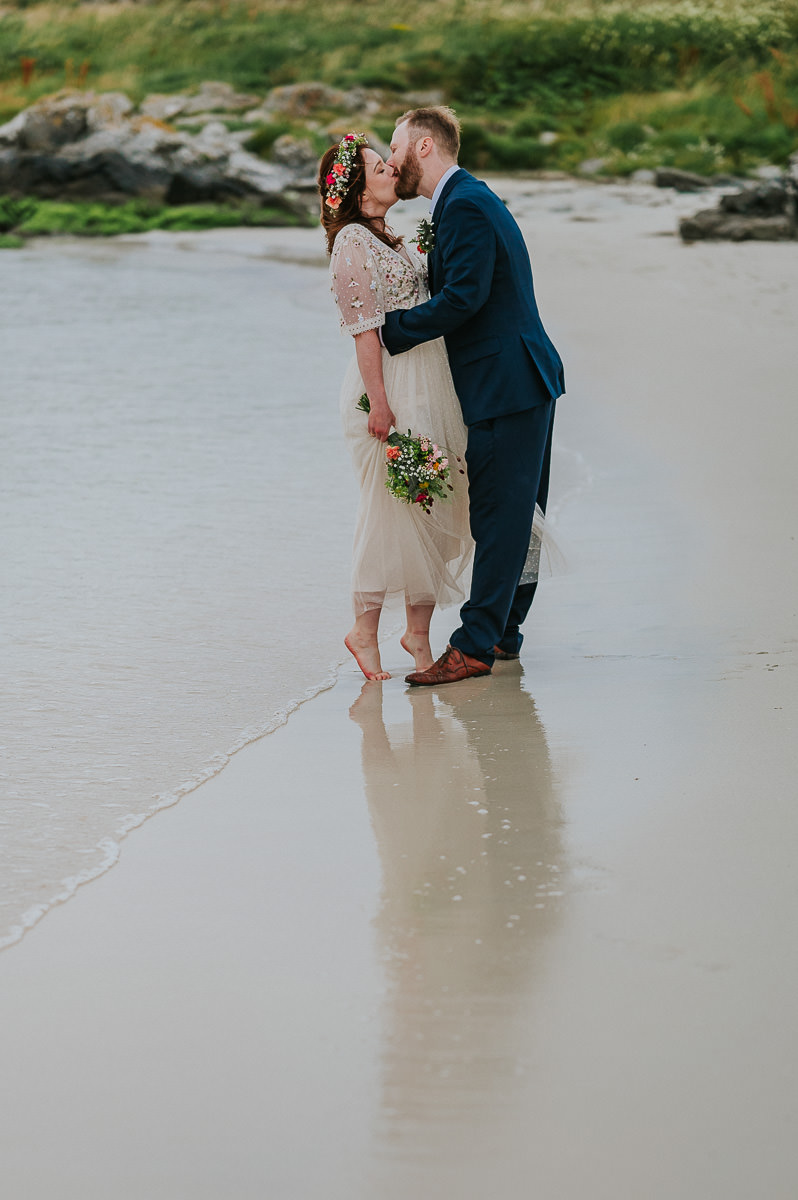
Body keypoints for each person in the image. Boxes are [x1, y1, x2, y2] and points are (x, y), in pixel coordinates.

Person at [383, 107, 565, 686]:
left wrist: (392, 329)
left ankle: (475, 644)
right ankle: (505, 630)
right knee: (522, 517)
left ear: (425, 148)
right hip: (519, 377)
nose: (391, 160)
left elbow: (464, 298)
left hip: (506, 381)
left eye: (396, 147)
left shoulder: (463, 205)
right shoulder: (469, 199)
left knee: (500, 515)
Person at [319, 134, 473, 682]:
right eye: (381, 167)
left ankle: (416, 634)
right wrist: (380, 407)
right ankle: (363, 630)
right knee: (390, 509)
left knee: (429, 507)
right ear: (360, 192)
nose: (392, 169)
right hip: (387, 388)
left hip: (427, 381)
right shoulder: (353, 243)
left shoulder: (389, 235)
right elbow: (364, 333)